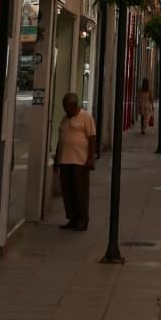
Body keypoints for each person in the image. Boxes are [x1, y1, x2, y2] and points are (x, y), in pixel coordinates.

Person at [53, 91, 96, 232]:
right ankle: (71, 218)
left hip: (79, 161)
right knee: (68, 191)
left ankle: (82, 219)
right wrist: (56, 160)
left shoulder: (86, 117)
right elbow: (61, 139)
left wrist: (90, 158)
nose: (66, 110)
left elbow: (92, 138)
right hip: (65, 160)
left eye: (68, 107)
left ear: (75, 105)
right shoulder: (65, 119)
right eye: (64, 107)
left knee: (80, 191)